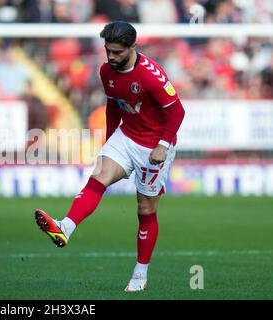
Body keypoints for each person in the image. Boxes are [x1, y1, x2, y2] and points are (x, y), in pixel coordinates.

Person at [34, 21, 185, 292]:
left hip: (154, 146)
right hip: (125, 137)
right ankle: (65, 227)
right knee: (99, 176)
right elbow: (113, 105)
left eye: (117, 52)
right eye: (108, 50)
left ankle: (140, 275)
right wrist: (109, 142)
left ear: (132, 48)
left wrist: (162, 145)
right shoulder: (106, 71)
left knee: (145, 209)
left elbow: (177, 112)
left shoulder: (151, 76)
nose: (111, 57)